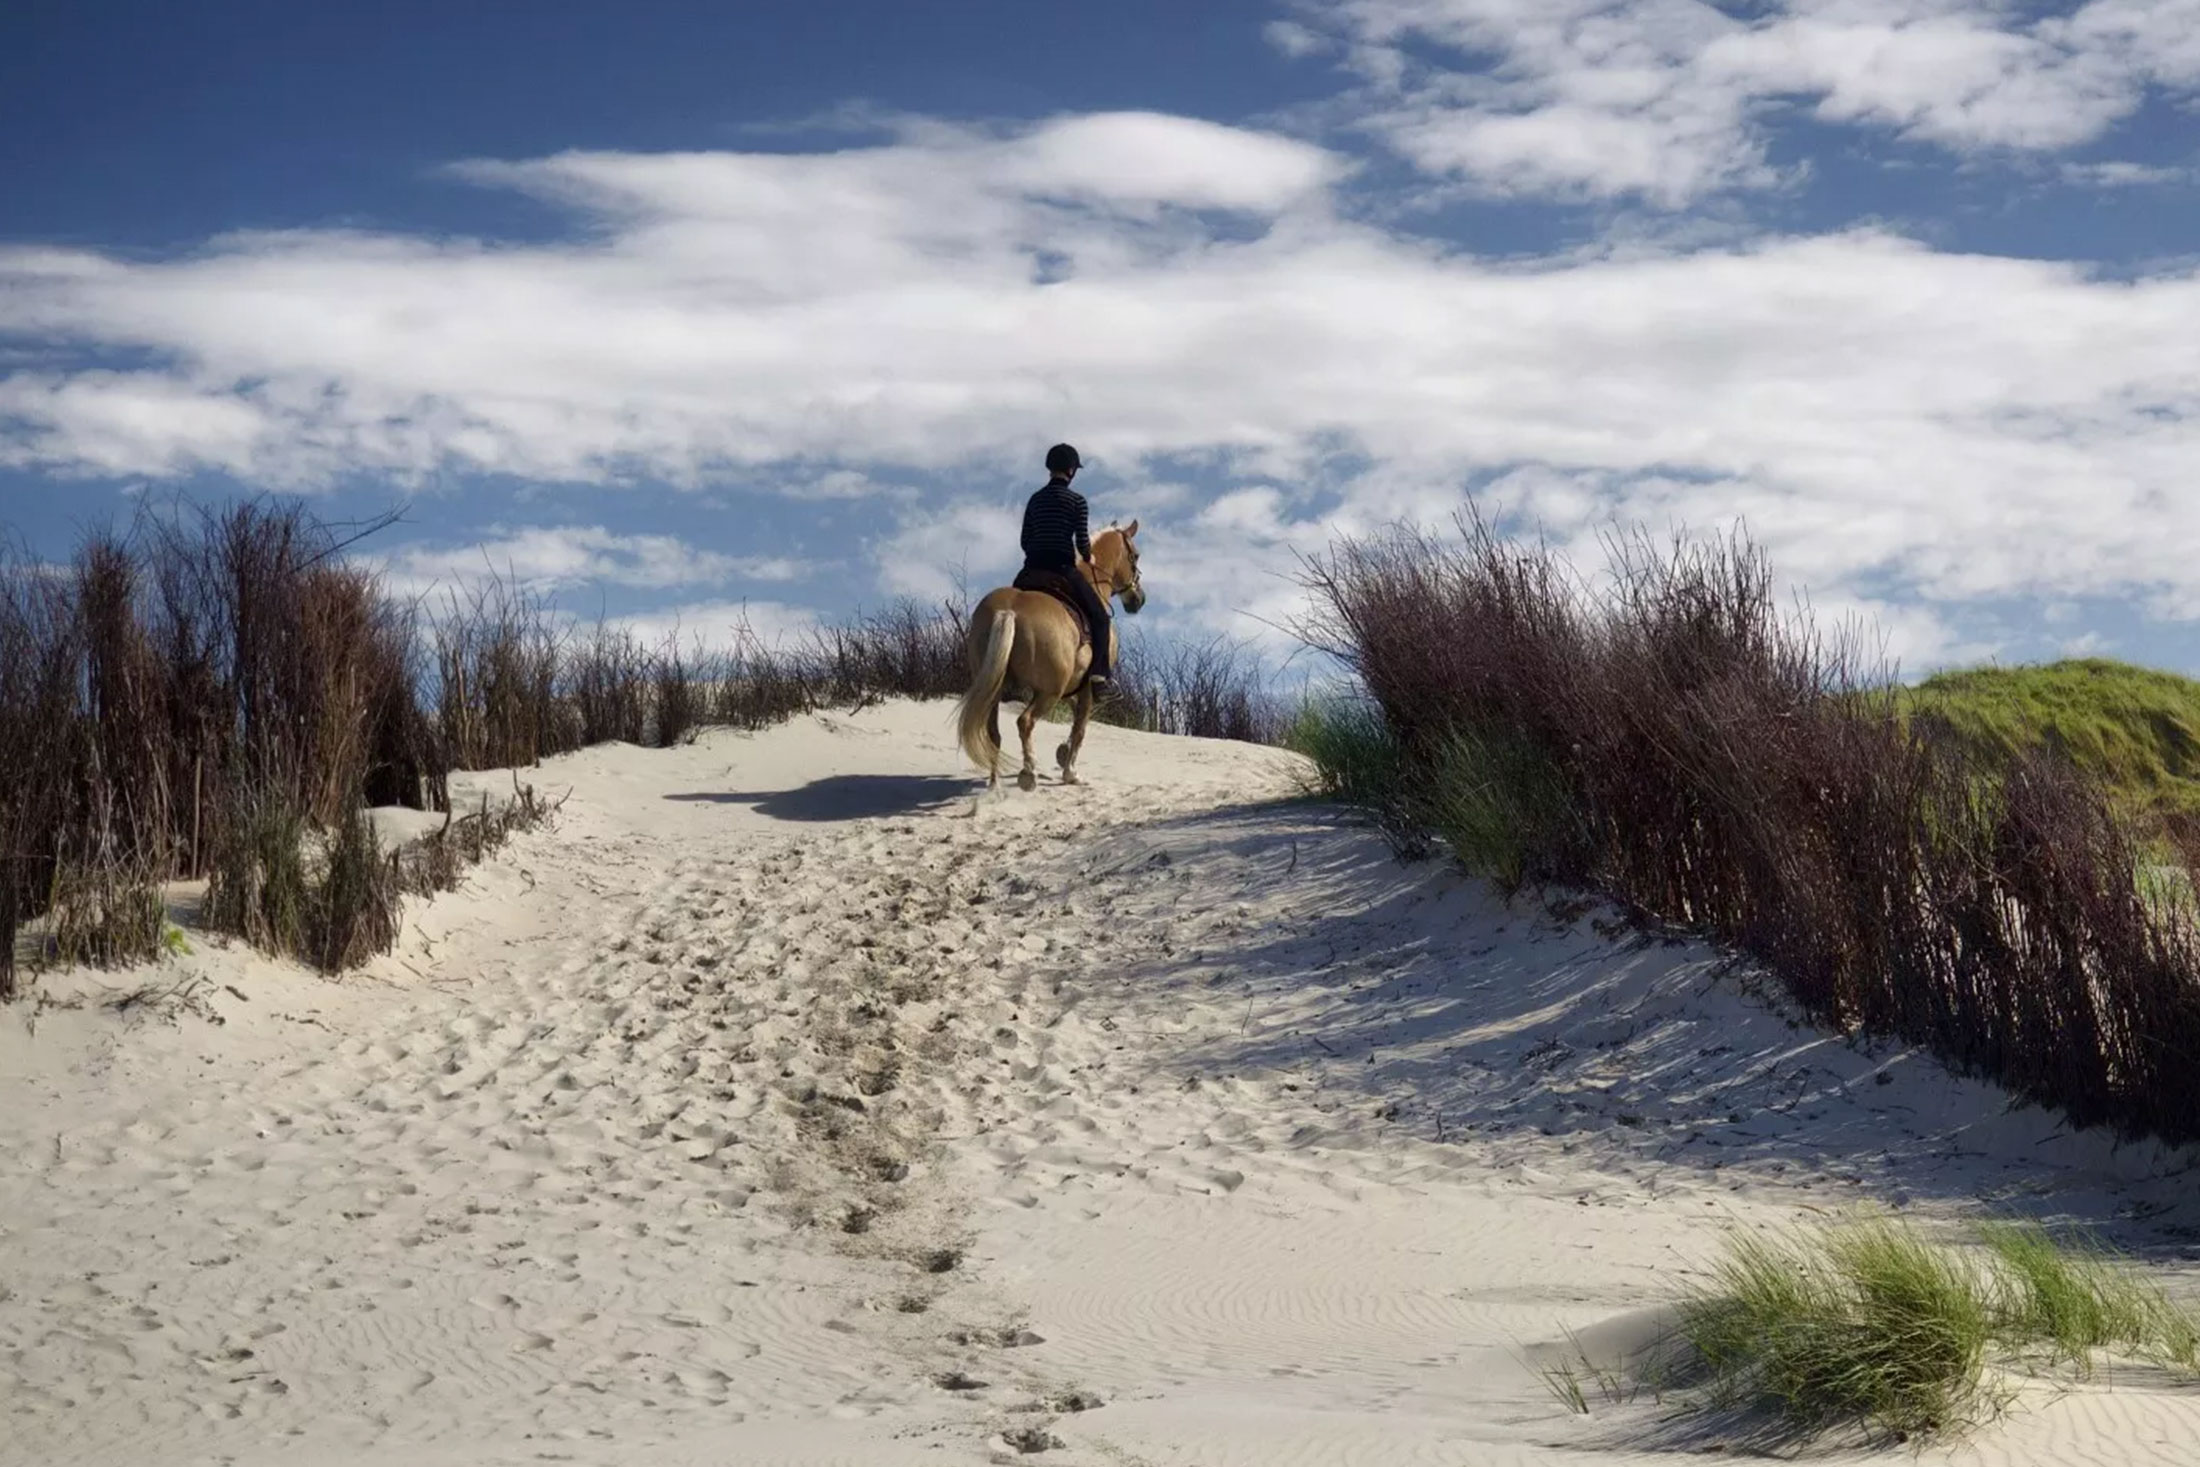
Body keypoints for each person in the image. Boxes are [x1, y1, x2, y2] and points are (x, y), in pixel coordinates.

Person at [1013, 443, 1112, 687]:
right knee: (1101, 617)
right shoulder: (1077, 501)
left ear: (1050, 468)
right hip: (1062, 569)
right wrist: (1089, 557)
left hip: (1031, 570)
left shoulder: (1035, 500)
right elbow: (1081, 541)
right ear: (1071, 470)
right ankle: (1099, 675)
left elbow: (1025, 540)